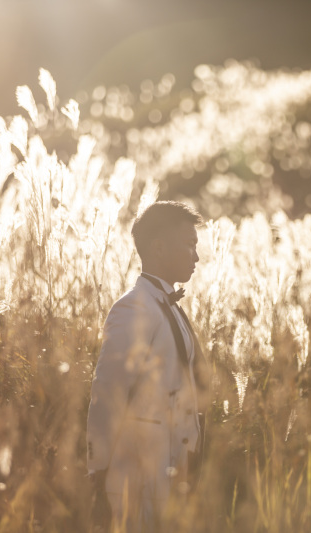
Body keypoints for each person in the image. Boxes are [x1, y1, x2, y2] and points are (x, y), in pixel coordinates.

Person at [86, 201, 209, 531]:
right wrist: (98, 470)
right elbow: (107, 392)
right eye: (189, 245)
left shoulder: (169, 307)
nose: (196, 257)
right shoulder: (133, 308)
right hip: (137, 475)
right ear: (158, 247)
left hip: (173, 474)